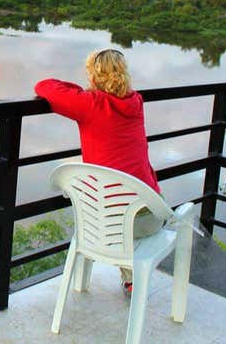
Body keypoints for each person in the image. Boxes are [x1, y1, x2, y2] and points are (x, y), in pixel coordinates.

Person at [34, 48, 162, 296]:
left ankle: (114, 274)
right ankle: (131, 279)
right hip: (147, 218)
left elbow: (44, 86)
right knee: (134, 194)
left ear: (93, 76)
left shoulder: (90, 104)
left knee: (117, 203)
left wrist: (82, 90)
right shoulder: (136, 102)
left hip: (99, 223)